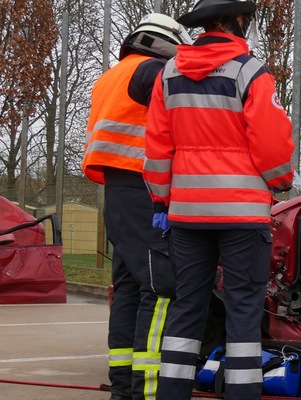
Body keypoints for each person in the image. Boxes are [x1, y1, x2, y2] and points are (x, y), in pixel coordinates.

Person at [142, 1, 295, 399]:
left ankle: (172, 393)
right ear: (237, 21)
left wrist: (161, 200)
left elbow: (157, 147)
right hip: (242, 215)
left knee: (187, 306)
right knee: (243, 310)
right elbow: (272, 145)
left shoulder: (168, 74)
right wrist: (280, 181)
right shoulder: (250, 72)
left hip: (187, 214)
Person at [82, 13, 190, 400]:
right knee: (161, 287)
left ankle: (124, 386)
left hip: (117, 192)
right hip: (144, 189)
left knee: (129, 288)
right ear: (167, 44)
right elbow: (184, 120)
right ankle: (149, 388)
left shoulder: (112, 75)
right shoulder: (153, 72)